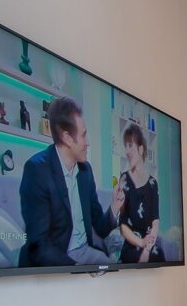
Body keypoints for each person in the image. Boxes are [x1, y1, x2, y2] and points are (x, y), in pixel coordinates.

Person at [18, 97, 124, 267]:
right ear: (67, 137)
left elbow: (98, 225)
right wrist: (75, 271)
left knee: (116, 278)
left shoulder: (85, 171)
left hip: (84, 252)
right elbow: (39, 246)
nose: (88, 143)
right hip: (54, 260)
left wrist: (114, 208)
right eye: (83, 135)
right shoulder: (37, 170)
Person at [117, 123, 165, 264]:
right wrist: (142, 243)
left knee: (158, 253)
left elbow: (155, 219)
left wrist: (149, 243)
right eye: (125, 146)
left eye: (130, 145)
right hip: (132, 244)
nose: (127, 151)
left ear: (141, 148)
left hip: (149, 244)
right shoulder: (124, 179)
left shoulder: (152, 183)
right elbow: (123, 226)